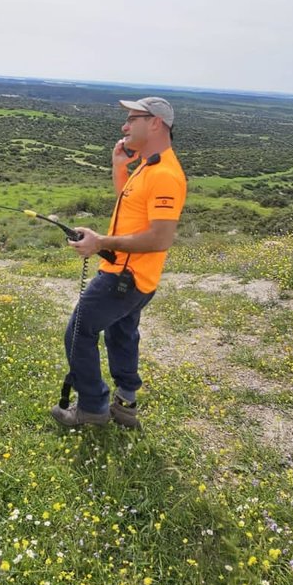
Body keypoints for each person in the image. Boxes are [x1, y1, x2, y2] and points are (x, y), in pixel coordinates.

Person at [52, 97, 187, 430]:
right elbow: (132, 206)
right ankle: (125, 404)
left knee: (78, 331)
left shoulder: (166, 174)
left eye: (132, 119)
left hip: (124, 277)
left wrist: (101, 243)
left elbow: (159, 238)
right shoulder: (149, 164)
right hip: (137, 277)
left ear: (155, 122)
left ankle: (93, 408)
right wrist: (119, 168)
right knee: (122, 334)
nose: (124, 126)